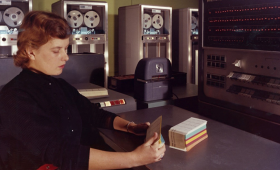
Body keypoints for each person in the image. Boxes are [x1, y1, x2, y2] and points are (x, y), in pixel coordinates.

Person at [0, 11, 165, 170]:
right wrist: (135, 159)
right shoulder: (15, 97)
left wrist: (130, 127)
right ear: (31, 52)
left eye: (66, 49)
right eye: (56, 50)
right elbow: (61, 154)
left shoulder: (59, 85)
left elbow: (93, 113)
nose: (65, 57)